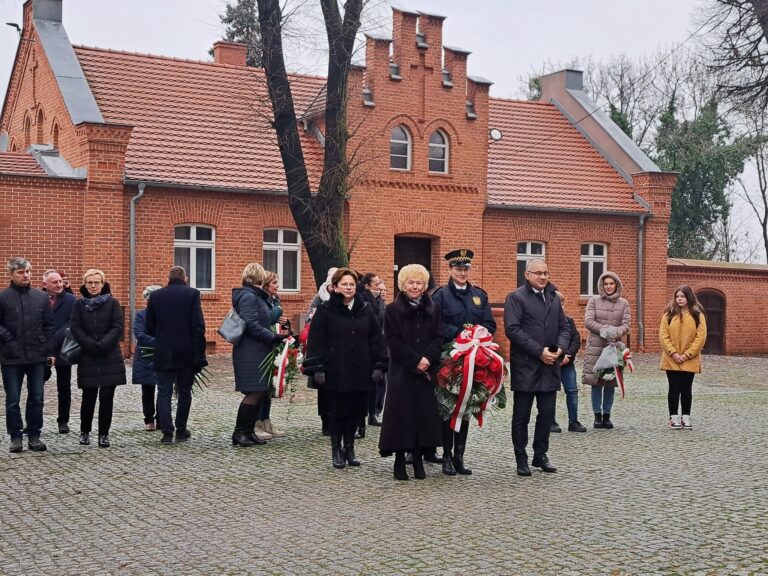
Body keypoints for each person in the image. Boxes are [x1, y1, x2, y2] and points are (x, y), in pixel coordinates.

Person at [303, 268, 387, 469]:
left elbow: (376, 339)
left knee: (356, 411)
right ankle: (336, 450)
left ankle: (350, 449)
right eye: (344, 284)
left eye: (351, 284)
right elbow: (316, 341)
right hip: (335, 369)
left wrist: (379, 365)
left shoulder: (365, 309)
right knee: (337, 411)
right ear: (335, 287)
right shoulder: (325, 310)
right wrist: (318, 368)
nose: (348, 288)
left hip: (360, 369)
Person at [431, 248, 496, 475]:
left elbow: (490, 323)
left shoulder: (479, 295)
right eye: (458, 269)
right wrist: (461, 334)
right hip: (451, 358)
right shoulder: (439, 296)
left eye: (466, 269)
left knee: (467, 406)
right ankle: (447, 455)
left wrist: (478, 333)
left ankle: (460, 455)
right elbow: (435, 325)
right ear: (450, 269)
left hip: (475, 359)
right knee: (449, 408)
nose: (462, 273)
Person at [504, 258, 569, 476]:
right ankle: (520, 457)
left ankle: (540, 454)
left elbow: (564, 327)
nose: (543, 277)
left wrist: (559, 349)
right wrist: (539, 351)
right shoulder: (516, 298)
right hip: (526, 366)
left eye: (546, 273)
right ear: (527, 274)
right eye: (538, 273)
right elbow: (512, 330)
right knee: (522, 415)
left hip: (550, 366)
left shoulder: (553, 297)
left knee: (547, 413)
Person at [378, 264, 443, 481]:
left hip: (426, 372)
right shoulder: (392, 310)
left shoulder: (433, 308)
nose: (415, 287)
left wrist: (427, 359)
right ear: (403, 285)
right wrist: (415, 361)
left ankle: (417, 458)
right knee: (401, 416)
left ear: (425, 286)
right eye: (411, 283)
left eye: (419, 283)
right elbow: (392, 341)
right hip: (402, 372)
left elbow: (438, 337)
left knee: (422, 416)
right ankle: (399, 460)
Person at [146, 266, 207, 445]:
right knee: (184, 391)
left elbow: (149, 325)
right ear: (185, 278)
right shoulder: (192, 294)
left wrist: (162, 335)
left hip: (163, 349)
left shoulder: (156, 296)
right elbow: (198, 326)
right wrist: (199, 351)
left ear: (168, 278)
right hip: (186, 351)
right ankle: (181, 430)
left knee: (164, 392)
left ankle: (166, 432)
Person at [230, 263, 288, 447]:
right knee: (254, 391)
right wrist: (273, 337)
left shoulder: (256, 296)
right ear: (259, 277)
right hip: (250, 351)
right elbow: (251, 324)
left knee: (261, 391)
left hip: (257, 349)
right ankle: (239, 433)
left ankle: (248, 432)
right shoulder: (248, 296)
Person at [0, 257, 54, 453]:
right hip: (11, 357)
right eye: (21, 272)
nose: (26, 275)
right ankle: (15, 437)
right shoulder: (3, 297)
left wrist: (49, 350)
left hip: (37, 356)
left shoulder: (41, 297)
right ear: (11, 274)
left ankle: (34, 435)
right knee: (13, 398)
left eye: (28, 272)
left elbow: (49, 326)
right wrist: (9, 340)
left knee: (37, 397)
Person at [70, 269, 127, 448]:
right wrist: (90, 344)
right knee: (89, 396)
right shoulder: (79, 305)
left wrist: (103, 344)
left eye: (96, 282)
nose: (93, 286)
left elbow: (117, 327)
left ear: (102, 284)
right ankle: (84, 431)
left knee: (107, 397)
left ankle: (104, 434)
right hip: (88, 355)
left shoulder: (113, 303)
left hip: (109, 355)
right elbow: (75, 327)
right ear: (85, 284)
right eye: (89, 282)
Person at [583, 271, 631, 430]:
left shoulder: (623, 303)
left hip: (614, 347)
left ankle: (607, 415)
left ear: (616, 285)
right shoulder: (593, 301)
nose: (609, 286)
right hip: (597, 346)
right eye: (606, 284)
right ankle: (597, 416)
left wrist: (616, 333)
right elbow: (589, 321)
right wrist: (605, 330)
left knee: (610, 382)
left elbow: (626, 324)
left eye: (611, 283)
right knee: (596, 382)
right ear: (601, 286)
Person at [659, 285, 707, 430]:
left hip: (690, 359)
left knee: (686, 388)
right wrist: (673, 353)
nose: (679, 299)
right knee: (673, 388)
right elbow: (663, 335)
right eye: (677, 296)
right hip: (671, 358)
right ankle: (673, 417)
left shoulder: (698, 315)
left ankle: (686, 417)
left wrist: (687, 354)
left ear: (689, 297)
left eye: (682, 296)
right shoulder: (668, 314)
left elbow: (701, 337)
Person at [253, 270, 289, 441]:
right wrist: (278, 311)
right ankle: (257, 422)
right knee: (261, 388)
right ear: (266, 285)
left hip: (273, 344)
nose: (277, 286)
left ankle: (266, 420)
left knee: (269, 387)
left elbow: (276, 318)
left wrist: (284, 321)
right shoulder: (262, 300)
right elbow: (267, 319)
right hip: (262, 346)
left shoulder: (274, 300)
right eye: (274, 283)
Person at [42, 269, 77, 434]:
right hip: (42, 349)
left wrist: (55, 338)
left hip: (63, 348)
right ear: (45, 284)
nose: (59, 285)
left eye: (60, 282)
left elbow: (72, 322)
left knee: (64, 387)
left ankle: (63, 421)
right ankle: (34, 421)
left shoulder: (70, 299)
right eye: (55, 282)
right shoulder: (38, 298)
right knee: (37, 386)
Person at [305, 267, 337, 436]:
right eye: (331, 285)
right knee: (324, 389)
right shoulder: (319, 298)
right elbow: (308, 320)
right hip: (322, 351)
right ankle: (326, 420)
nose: (333, 288)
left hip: (340, 352)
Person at [551, 291, 586, 433]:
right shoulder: (544, 322)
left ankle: (574, 421)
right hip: (550, 363)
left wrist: (568, 356)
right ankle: (550, 422)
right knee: (550, 393)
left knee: (572, 391)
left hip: (567, 363)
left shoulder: (568, 321)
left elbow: (575, 340)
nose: (562, 307)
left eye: (563, 305)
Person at [132, 285, 162, 431]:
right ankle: (149, 419)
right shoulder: (140, 315)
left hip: (162, 355)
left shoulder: (166, 314)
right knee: (148, 389)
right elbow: (139, 333)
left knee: (163, 388)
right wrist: (160, 343)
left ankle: (161, 419)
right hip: (146, 355)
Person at [360, 272, 386, 429]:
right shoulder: (363, 299)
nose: (379, 286)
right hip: (365, 346)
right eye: (376, 284)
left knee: (377, 381)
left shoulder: (379, 300)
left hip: (378, 345)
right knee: (364, 382)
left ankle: (373, 412)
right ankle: (362, 417)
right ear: (367, 286)